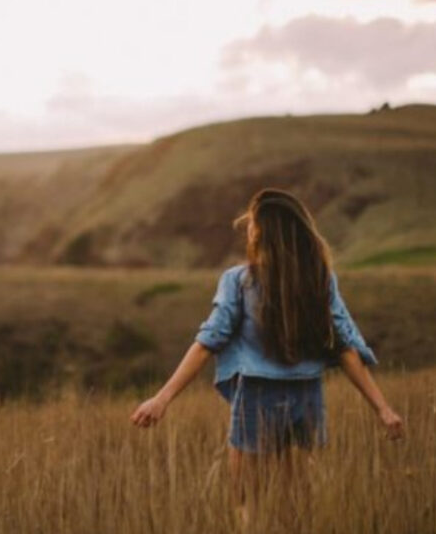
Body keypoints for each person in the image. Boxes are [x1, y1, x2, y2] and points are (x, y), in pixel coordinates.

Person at [129, 187, 404, 524]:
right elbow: (345, 346)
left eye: (252, 223)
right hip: (308, 397)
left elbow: (208, 342)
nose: (247, 228)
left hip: (258, 396)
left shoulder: (238, 281)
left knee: (247, 505)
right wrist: (383, 409)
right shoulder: (320, 279)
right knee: (299, 509)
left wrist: (161, 398)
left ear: (261, 232)